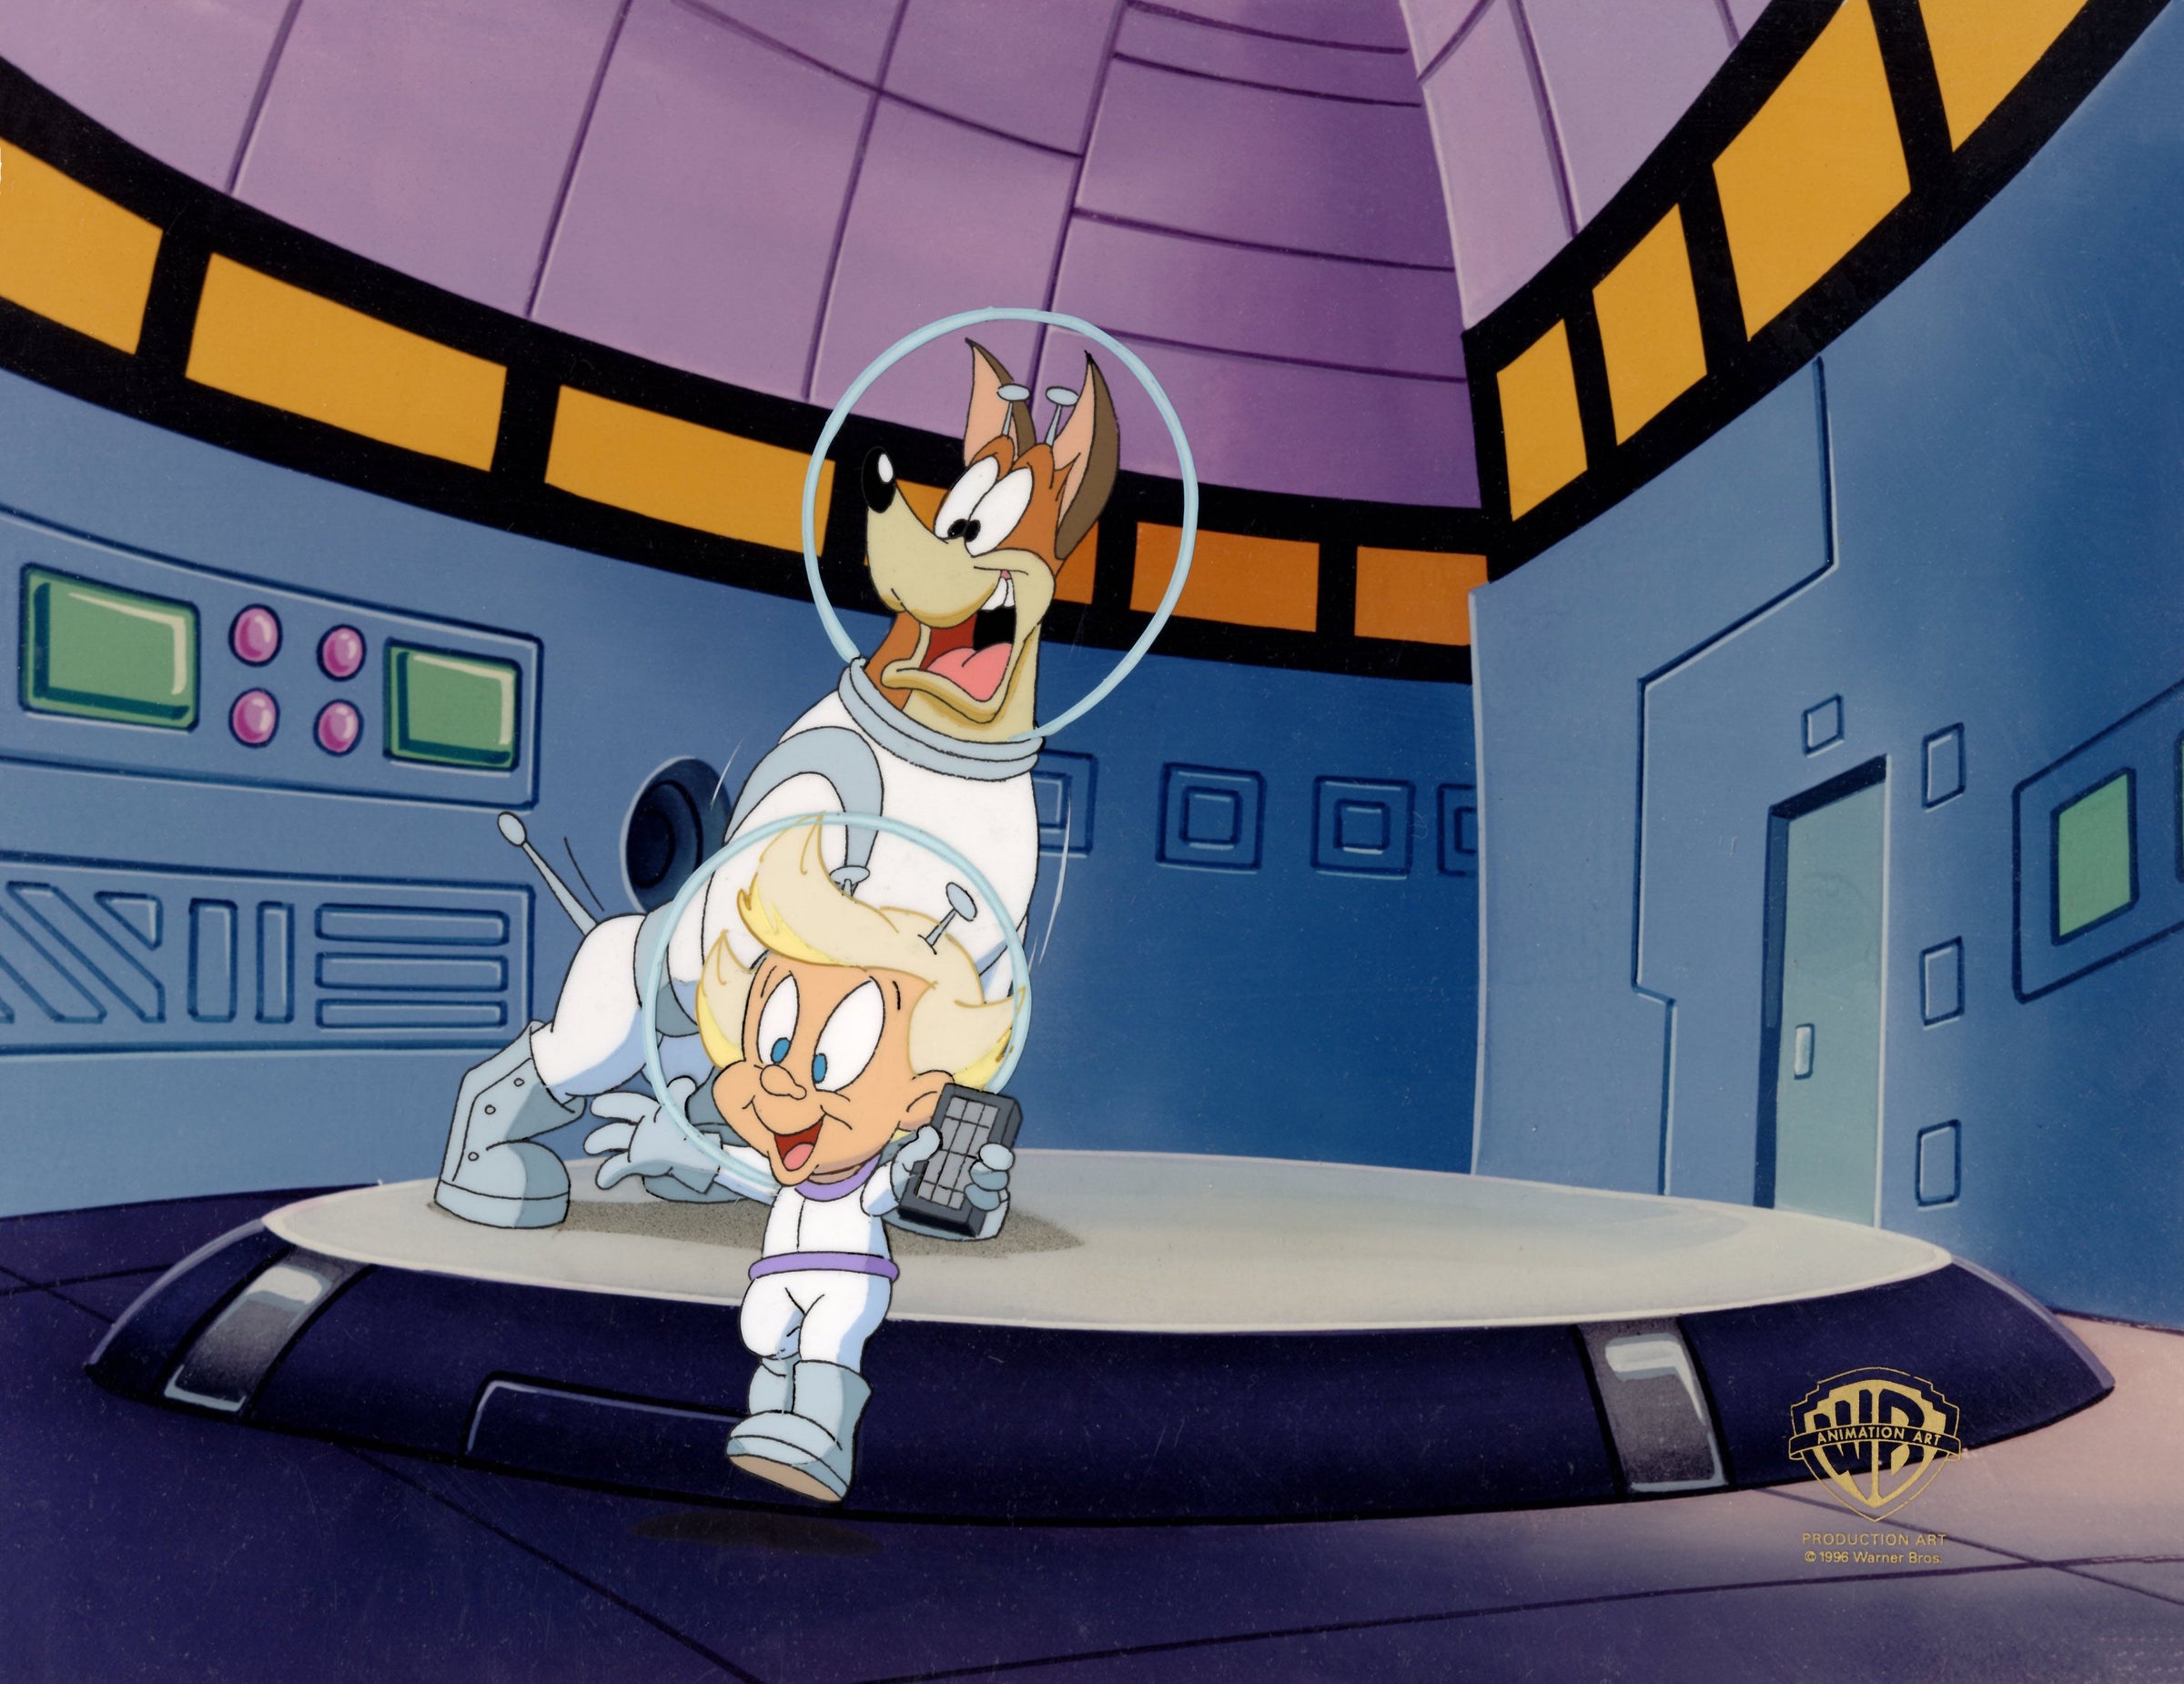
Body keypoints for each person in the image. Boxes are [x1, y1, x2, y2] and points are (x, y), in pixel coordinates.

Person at [583, 821, 1018, 1502]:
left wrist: (968, 1195)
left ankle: (823, 1439)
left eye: (827, 1064)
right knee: (767, 1338)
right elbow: (729, 1166)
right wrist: (667, 1145)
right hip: (777, 1274)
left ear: (919, 1097)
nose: (782, 1084)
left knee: (826, 1346)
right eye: (772, 1048)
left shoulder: (868, 1179)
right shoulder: (784, 1165)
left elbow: (901, 1188)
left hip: (845, 1277)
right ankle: (770, 1427)